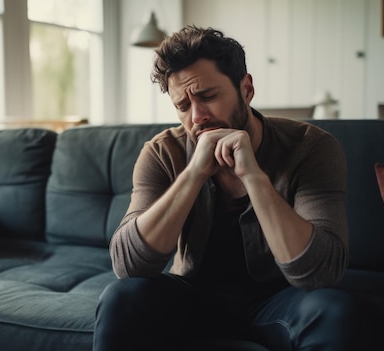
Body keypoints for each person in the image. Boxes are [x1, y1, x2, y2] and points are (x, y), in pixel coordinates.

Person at [93, 25, 359, 351]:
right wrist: (194, 173)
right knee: (121, 297)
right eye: (183, 106)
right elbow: (128, 265)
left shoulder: (311, 147)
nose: (197, 116)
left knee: (335, 310)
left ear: (246, 88)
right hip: (191, 296)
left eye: (207, 96)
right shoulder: (161, 152)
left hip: (279, 300)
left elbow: (321, 273)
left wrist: (254, 177)